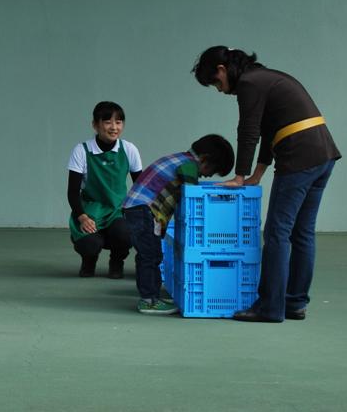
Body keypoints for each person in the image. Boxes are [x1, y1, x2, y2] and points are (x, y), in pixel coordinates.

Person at [192, 46, 341, 322]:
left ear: (222, 70)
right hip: (323, 153)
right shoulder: (266, 77)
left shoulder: (249, 83)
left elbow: (248, 130)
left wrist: (239, 176)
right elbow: (269, 130)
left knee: (276, 232)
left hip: (299, 156)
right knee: (302, 232)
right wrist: (257, 173)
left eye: (215, 82)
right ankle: (294, 303)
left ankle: (270, 307)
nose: (219, 89)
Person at [123, 134, 235, 315]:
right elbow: (190, 184)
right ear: (204, 159)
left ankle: (151, 296)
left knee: (148, 254)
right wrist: (198, 191)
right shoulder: (189, 165)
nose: (207, 175)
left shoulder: (177, 158)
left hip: (138, 209)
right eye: (210, 170)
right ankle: (149, 300)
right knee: (151, 256)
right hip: (143, 210)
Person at [67, 101, 142, 279]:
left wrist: (140, 216)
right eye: (108, 122)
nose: (114, 127)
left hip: (117, 210)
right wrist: (82, 217)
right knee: (89, 244)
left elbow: (141, 187)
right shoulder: (81, 151)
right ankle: (88, 261)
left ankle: (117, 262)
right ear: (95, 124)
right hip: (90, 211)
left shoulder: (129, 150)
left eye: (119, 122)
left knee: (125, 234)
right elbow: (72, 192)